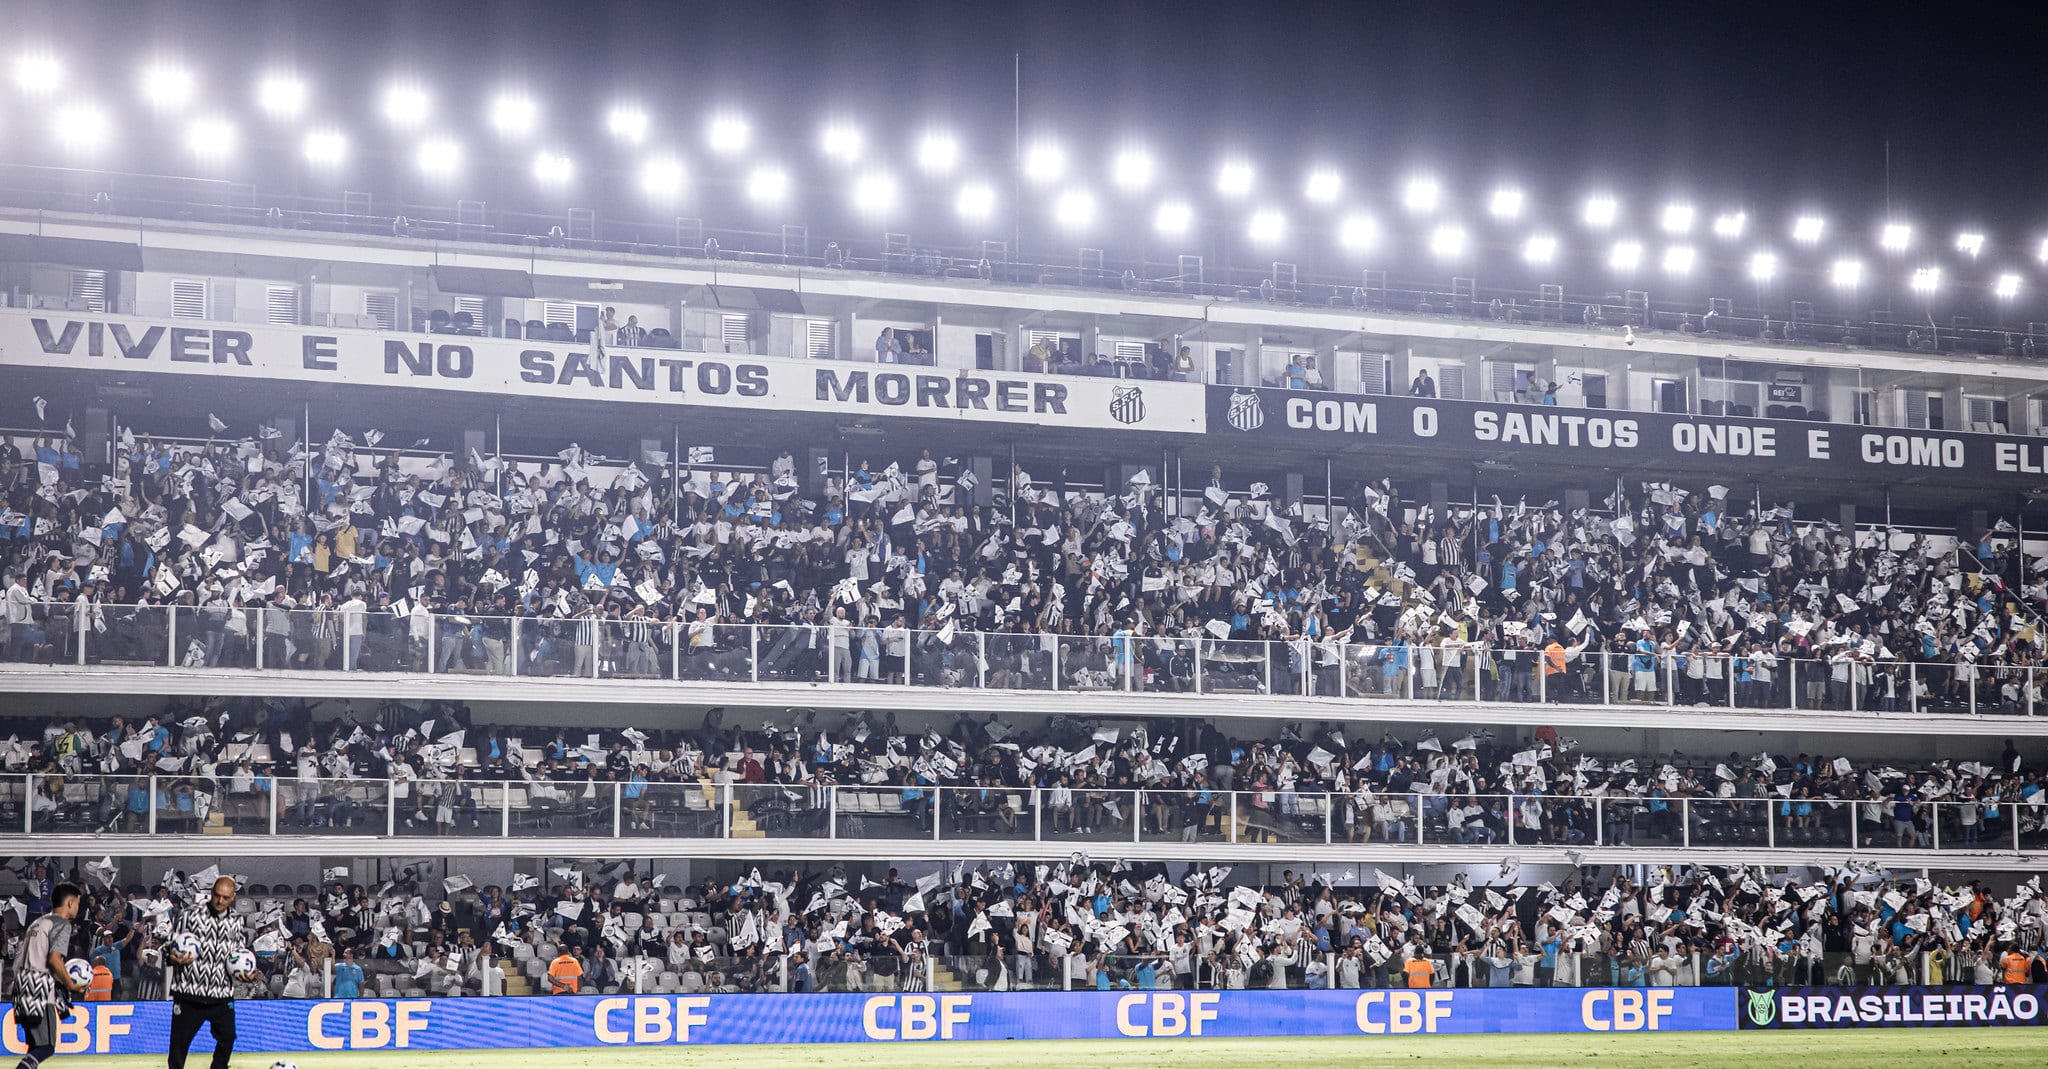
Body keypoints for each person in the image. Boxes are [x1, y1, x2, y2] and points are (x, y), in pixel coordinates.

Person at [166, 876, 255, 1069]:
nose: (220, 901)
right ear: (211, 893)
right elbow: (170, 946)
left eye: (225, 897)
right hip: (188, 993)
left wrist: (246, 973)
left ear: (233, 897)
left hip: (221, 995)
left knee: (228, 1038)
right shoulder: (189, 915)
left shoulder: (237, 921)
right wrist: (173, 957)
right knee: (178, 1048)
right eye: (216, 895)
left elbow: (238, 955)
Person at [9, 881, 89, 1069]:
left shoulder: (37, 923)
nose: (78, 907)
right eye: (77, 903)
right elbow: (54, 960)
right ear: (69, 903)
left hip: (22, 986)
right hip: (40, 989)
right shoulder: (61, 924)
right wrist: (70, 984)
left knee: (34, 1046)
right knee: (46, 1047)